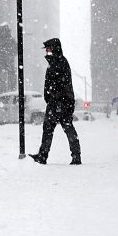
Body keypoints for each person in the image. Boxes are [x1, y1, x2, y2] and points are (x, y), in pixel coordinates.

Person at [30, 38, 82, 166]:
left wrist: (54, 98)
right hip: (60, 101)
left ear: (54, 48)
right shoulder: (57, 61)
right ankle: (75, 156)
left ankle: (44, 156)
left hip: (59, 101)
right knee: (63, 127)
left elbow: (58, 83)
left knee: (54, 127)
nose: (46, 51)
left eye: (48, 48)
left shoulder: (59, 62)